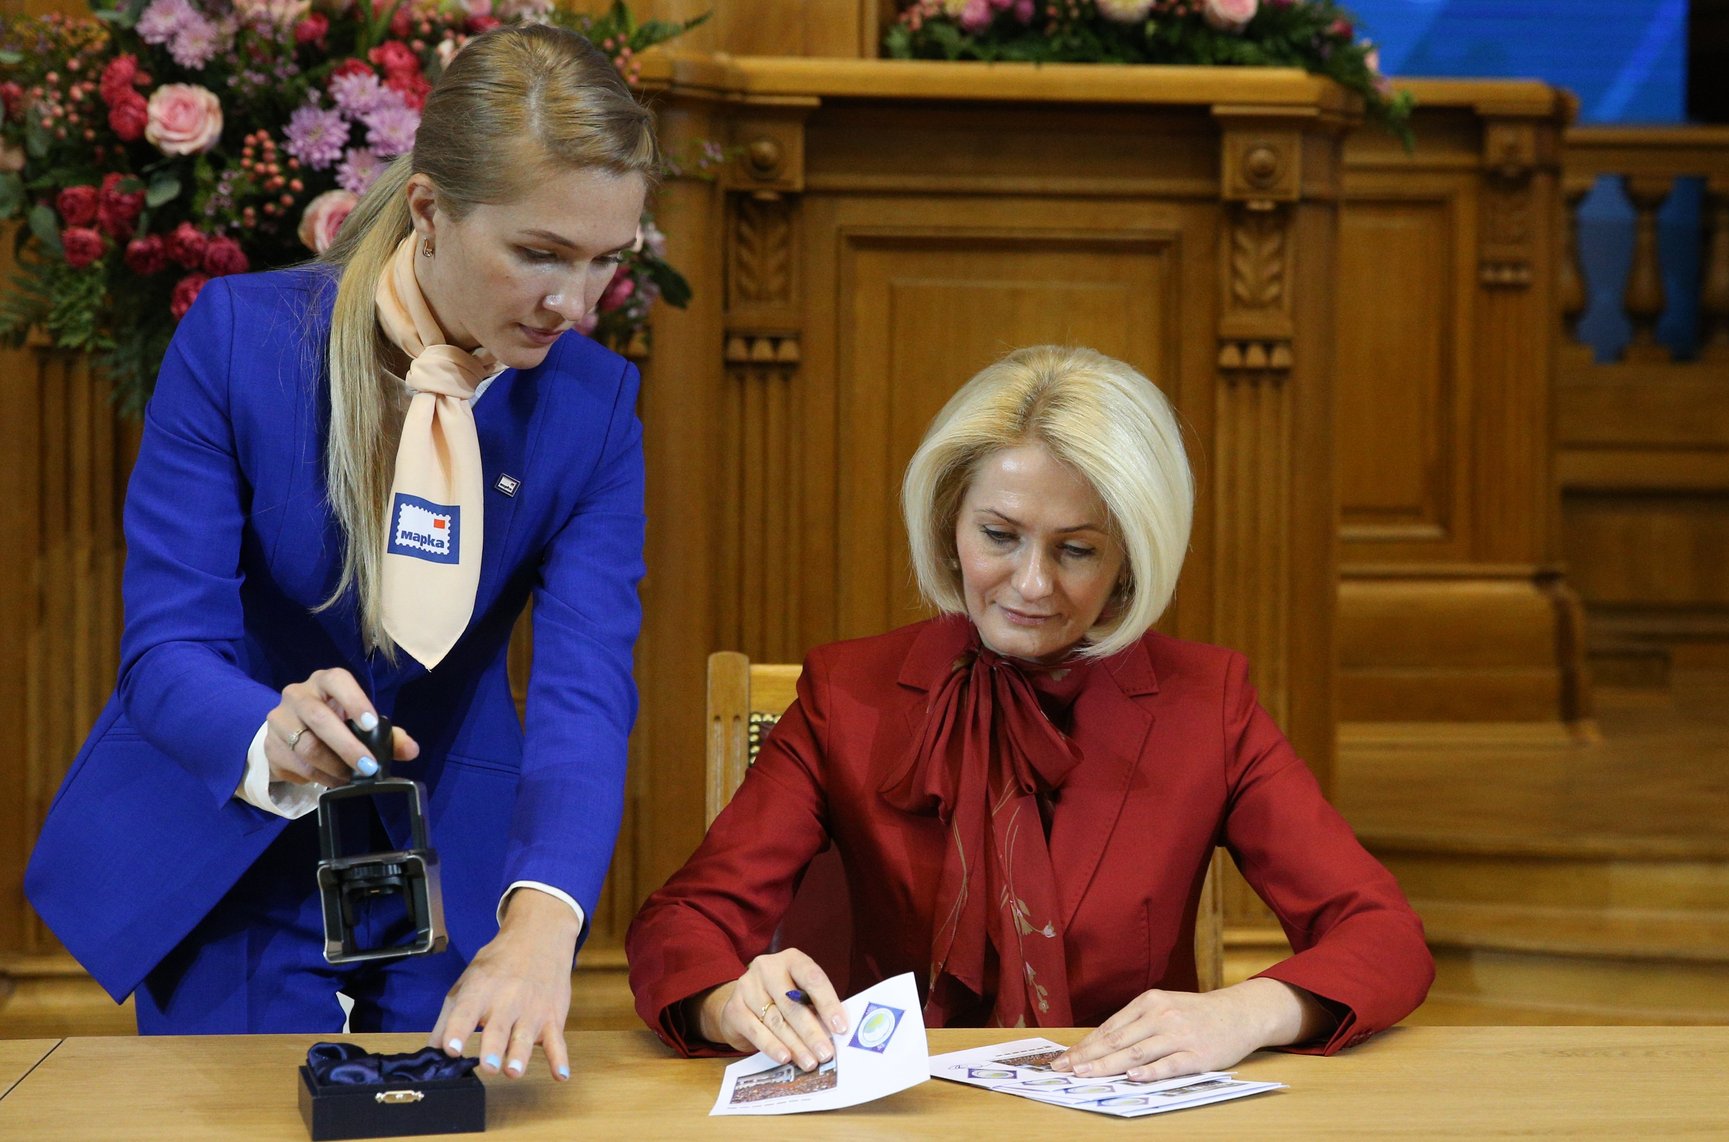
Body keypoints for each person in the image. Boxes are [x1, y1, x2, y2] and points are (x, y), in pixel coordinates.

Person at [25, 25, 653, 1084]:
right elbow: (166, 651)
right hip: (233, 849)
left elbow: (584, 694)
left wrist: (544, 920)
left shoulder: (594, 411)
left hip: (447, 862)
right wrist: (266, 727)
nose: (576, 305)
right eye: (541, 254)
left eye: (606, 261)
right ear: (429, 210)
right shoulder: (241, 339)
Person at [627, 345, 1433, 1081]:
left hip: (1121, 1114)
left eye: (1076, 550)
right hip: (906, 1114)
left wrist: (1245, 1011)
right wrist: (730, 1001)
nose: (1032, 583)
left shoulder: (1208, 704)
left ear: (1129, 559)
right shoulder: (847, 693)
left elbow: (1384, 935)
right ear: (950, 523)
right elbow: (683, 922)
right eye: (1000, 535)